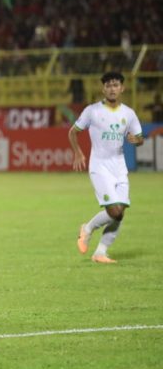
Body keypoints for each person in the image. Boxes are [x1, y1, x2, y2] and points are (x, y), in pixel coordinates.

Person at [69, 71, 144, 264]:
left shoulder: (129, 113)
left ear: (122, 88)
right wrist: (78, 152)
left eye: (116, 85)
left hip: (119, 167)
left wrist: (136, 140)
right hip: (100, 166)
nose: (112, 88)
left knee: (120, 213)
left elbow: (139, 139)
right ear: (103, 88)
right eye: (109, 85)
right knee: (114, 211)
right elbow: (73, 132)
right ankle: (87, 229)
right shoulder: (92, 111)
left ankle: (100, 252)